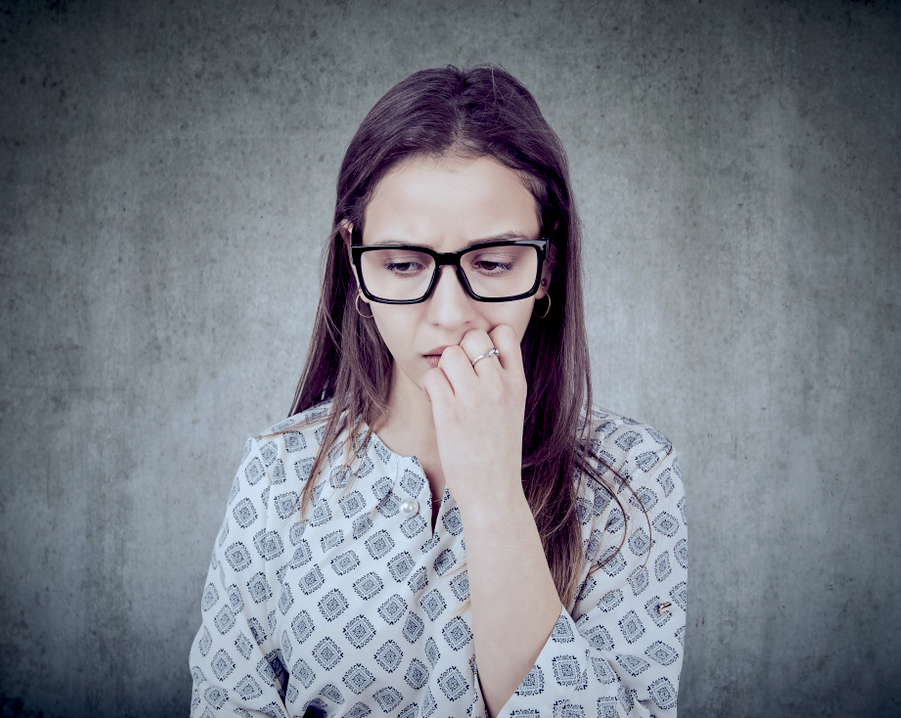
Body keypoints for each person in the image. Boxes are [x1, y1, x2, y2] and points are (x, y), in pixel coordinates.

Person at [189, 65, 687, 718]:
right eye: (402, 264)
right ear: (355, 263)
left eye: (492, 263)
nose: (449, 314)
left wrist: (492, 498)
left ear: (547, 266)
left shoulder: (632, 478)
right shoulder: (279, 473)